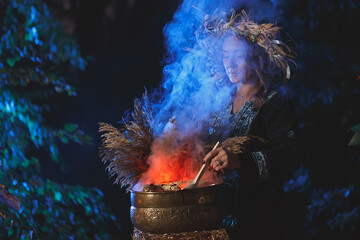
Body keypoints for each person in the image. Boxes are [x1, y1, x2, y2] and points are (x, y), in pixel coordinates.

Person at [200, 10, 298, 240]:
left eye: (238, 55)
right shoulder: (218, 100)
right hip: (213, 215)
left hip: (258, 218)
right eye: (225, 55)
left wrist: (239, 161)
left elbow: (291, 154)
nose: (230, 64)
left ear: (256, 56)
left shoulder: (275, 103)